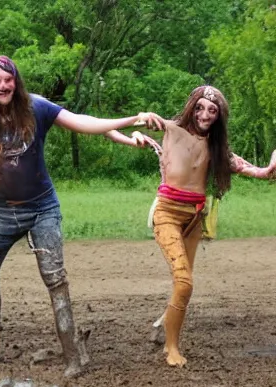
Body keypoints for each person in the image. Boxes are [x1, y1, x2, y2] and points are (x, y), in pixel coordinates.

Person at [0, 55, 163, 377]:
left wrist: (131, 121)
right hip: (1, 212)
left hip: (42, 209)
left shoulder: (37, 108)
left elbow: (83, 122)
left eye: (8, 80)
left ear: (16, 81)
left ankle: (73, 355)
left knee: (55, 279)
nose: (3, 86)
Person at [105, 85, 276, 367]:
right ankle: (171, 348)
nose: (205, 114)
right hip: (167, 214)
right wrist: (133, 134)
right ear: (191, 107)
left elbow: (253, 170)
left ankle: (165, 323)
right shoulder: (169, 128)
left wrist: (269, 171)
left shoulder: (217, 148)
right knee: (185, 283)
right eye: (200, 108)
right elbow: (108, 129)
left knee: (182, 281)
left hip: (195, 219)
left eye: (212, 110)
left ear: (219, 116)